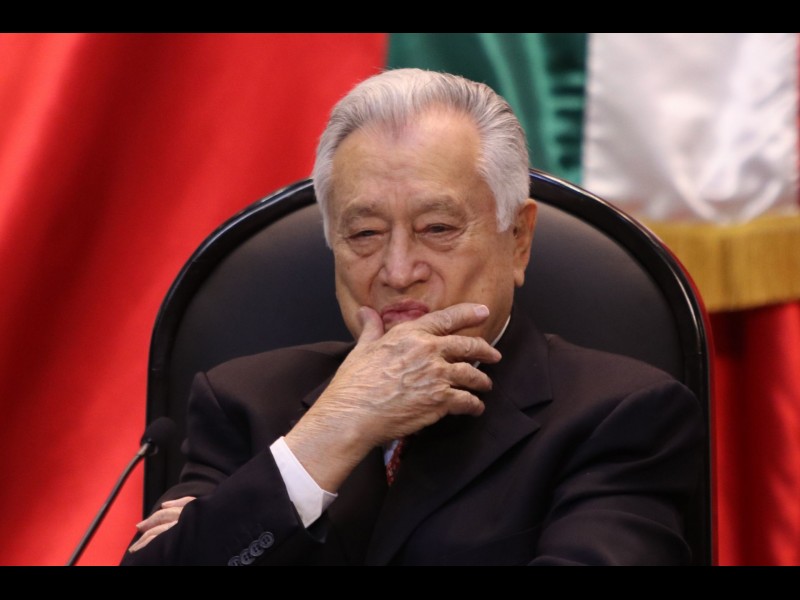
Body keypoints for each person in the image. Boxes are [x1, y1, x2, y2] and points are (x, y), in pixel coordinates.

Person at [121, 68, 704, 566]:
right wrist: (332, 433)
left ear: (519, 240)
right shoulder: (241, 402)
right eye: (365, 234)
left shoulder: (621, 415)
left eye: (438, 228)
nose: (398, 271)